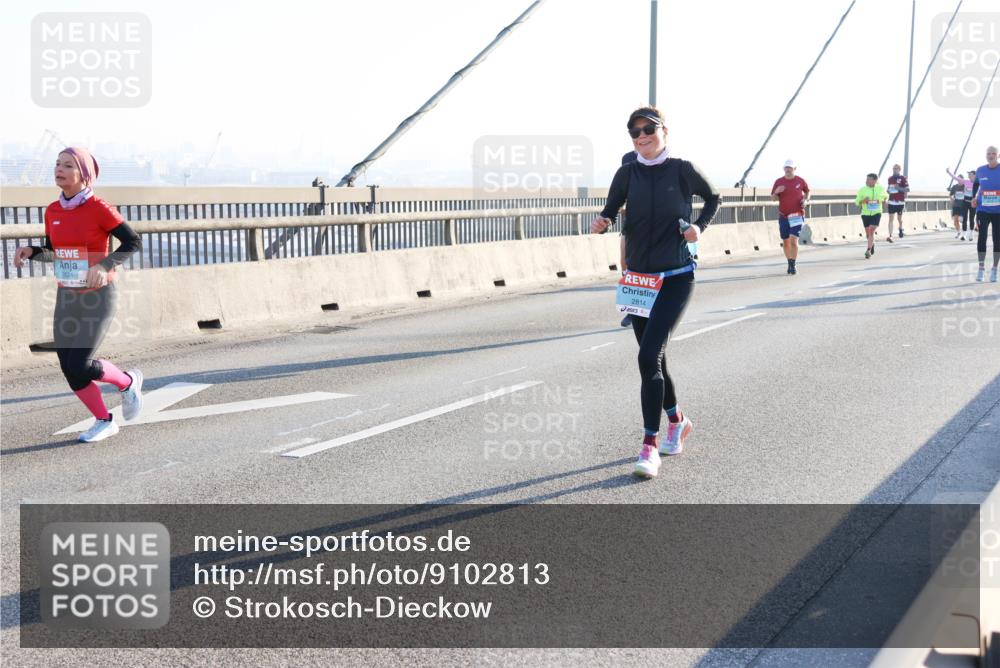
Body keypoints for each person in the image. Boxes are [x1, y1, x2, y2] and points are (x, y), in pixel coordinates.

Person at [591, 106, 720, 479]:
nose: (642, 136)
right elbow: (611, 209)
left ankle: (649, 446)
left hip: (676, 277)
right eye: (635, 132)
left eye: (648, 129)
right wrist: (602, 221)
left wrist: (699, 227)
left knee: (648, 356)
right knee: (655, 361)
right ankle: (677, 421)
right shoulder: (627, 173)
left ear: (664, 131)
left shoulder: (682, 169)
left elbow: (714, 198)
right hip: (638, 282)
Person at [13, 148, 145, 442]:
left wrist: (105, 265)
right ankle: (104, 420)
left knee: (80, 364)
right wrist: (31, 251)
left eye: (68, 165)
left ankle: (127, 382)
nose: (59, 169)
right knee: (68, 366)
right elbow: (54, 251)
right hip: (67, 296)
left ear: (84, 174)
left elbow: (133, 242)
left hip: (99, 296)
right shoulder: (53, 211)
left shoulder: (99, 207)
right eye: (57, 164)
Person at [770, 160, 810, 274]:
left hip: (797, 215)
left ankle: (793, 264)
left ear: (794, 169)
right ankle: (789, 262)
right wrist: (776, 192)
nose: (788, 170)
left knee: (793, 240)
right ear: (784, 169)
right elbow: (773, 199)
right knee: (786, 241)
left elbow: (808, 192)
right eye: (786, 168)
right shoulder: (779, 181)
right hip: (784, 215)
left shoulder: (800, 180)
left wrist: (805, 200)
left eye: (790, 168)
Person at [971, 145, 1000, 282]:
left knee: (997, 240)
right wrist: (974, 197)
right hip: (983, 209)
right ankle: (981, 269)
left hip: (998, 211)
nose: (991, 155)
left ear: (998, 155)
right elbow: (976, 184)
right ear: (986, 155)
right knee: (982, 237)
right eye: (989, 153)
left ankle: (994, 269)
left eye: (993, 153)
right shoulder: (980, 170)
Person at [855, 173, 888, 259]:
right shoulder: (862, 189)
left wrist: (882, 200)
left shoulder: (880, 188)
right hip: (865, 213)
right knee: (868, 234)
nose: (866, 181)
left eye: (868, 179)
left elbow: (886, 196)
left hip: (876, 212)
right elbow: (857, 202)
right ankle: (872, 244)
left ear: (875, 180)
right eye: (866, 179)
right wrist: (863, 201)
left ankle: (868, 250)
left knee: (871, 229)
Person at [946, 167, 976, 240]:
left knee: (971, 219)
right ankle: (964, 235)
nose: (968, 175)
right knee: (964, 218)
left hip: (973, 203)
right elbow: (955, 178)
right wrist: (949, 172)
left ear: (974, 175)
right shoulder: (966, 182)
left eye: (970, 174)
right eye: (968, 174)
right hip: (965, 202)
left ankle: (971, 234)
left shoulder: (978, 183)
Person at [885, 164, 909, 241]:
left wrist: (898, 188)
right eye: (894, 168)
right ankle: (890, 235)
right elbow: (889, 188)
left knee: (899, 219)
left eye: (896, 168)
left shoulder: (903, 178)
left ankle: (900, 228)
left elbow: (907, 189)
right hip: (892, 201)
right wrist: (888, 190)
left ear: (899, 169)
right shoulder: (890, 178)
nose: (895, 170)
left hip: (900, 202)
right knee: (891, 219)